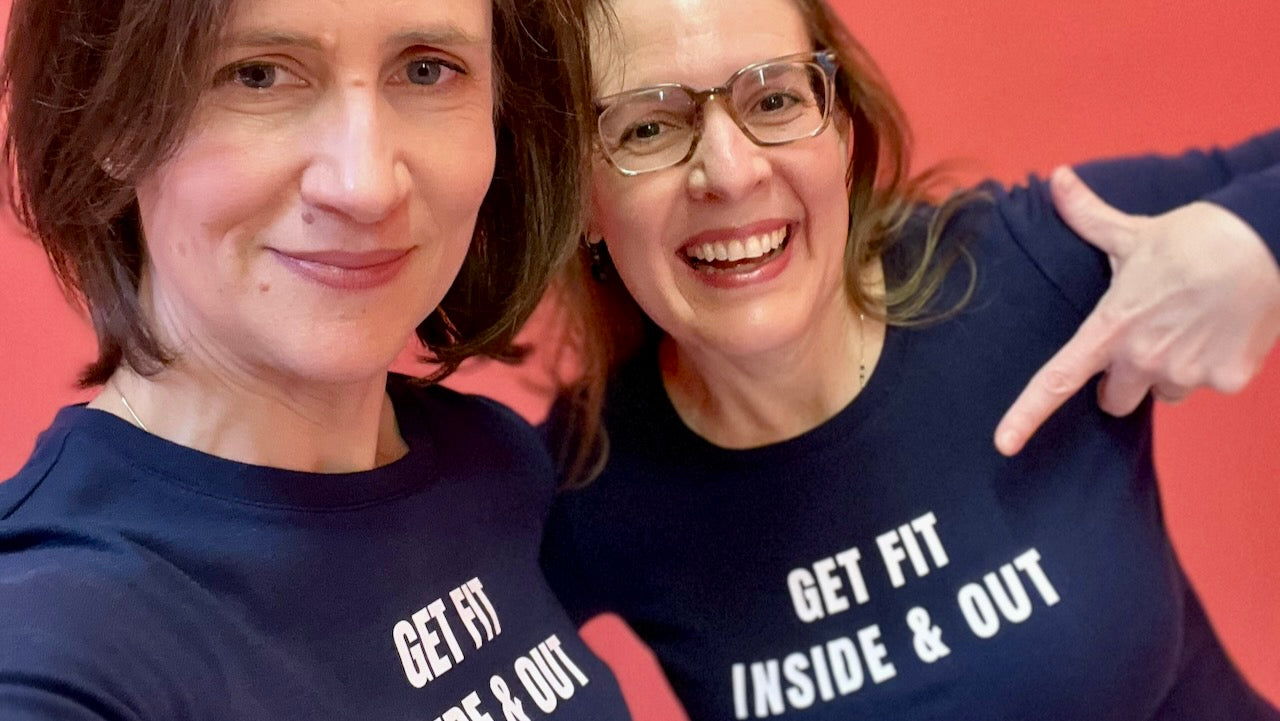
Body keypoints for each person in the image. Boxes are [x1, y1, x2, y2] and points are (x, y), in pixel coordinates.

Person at [539, 0, 1280, 719]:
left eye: (773, 100)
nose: (731, 173)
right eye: (647, 127)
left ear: (842, 131)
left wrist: (1252, 237)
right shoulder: (591, 481)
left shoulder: (1028, 265)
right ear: (582, 201)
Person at [0, 0, 633, 719]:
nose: (364, 187)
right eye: (258, 75)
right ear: (111, 117)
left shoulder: (494, 462)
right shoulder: (55, 641)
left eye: (427, 70)